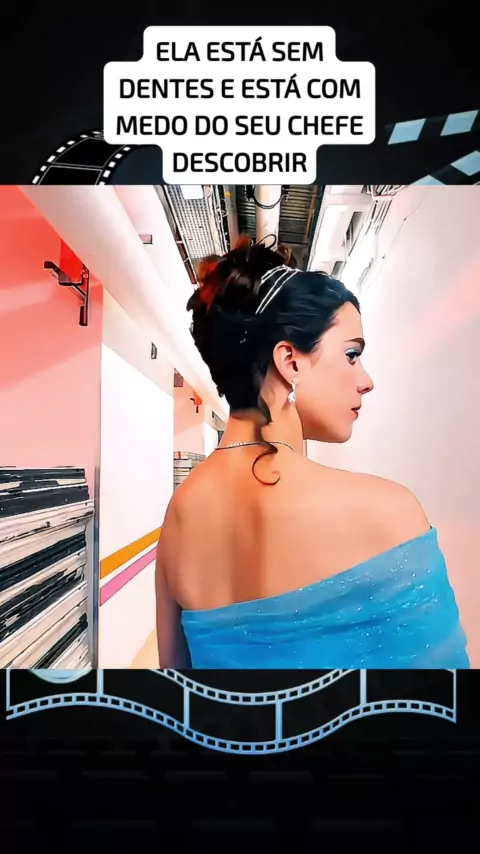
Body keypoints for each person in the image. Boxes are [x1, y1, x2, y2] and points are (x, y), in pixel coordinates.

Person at [155, 235, 469, 669]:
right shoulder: (387, 511)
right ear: (290, 361)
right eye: (352, 355)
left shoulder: (179, 517)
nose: (366, 380)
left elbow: (179, 690)